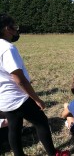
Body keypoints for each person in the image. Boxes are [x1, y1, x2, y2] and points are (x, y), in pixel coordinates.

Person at [0, 13, 69, 156]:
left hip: (4, 99)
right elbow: (20, 80)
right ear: (7, 28)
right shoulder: (7, 49)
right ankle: (53, 153)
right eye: (14, 26)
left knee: (14, 129)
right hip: (17, 98)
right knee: (41, 121)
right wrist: (37, 99)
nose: (16, 29)